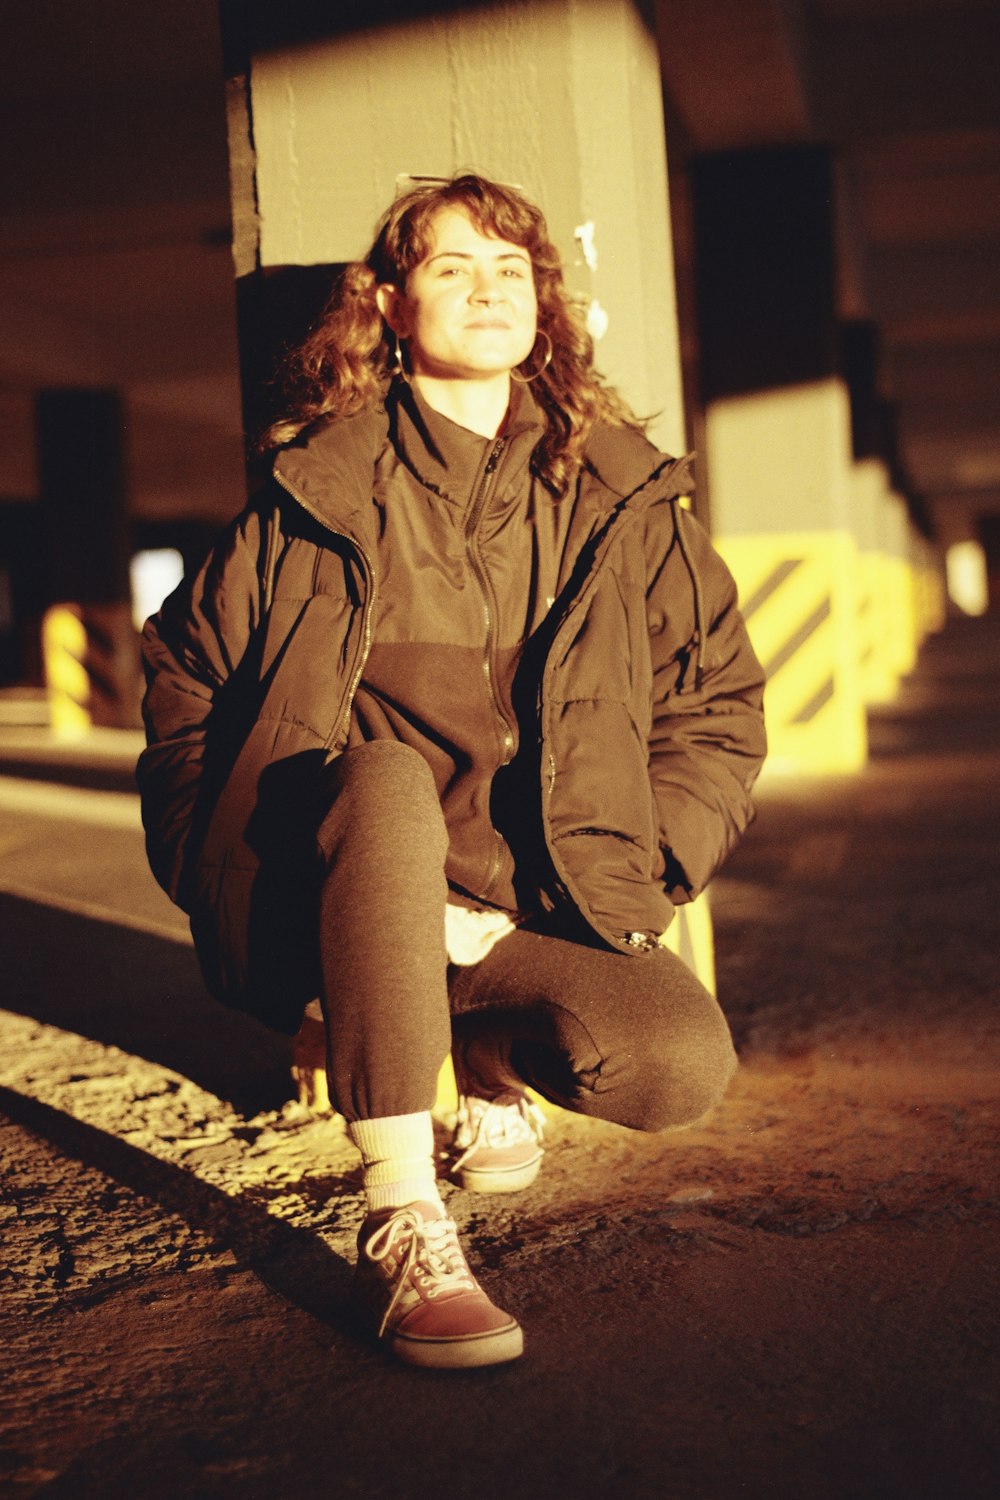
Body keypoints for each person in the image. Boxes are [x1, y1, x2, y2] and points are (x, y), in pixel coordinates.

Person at [137, 172, 766, 1371]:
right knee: (378, 783)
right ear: (388, 304)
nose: (488, 291)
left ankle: (481, 1047)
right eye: (450, 268)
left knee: (676, 1065)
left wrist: (653, 866)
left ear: (542, 305)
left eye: (510, 270)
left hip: (520, 909)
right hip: (351, 888)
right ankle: (403, 1216)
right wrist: (212, 860)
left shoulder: (619, 498)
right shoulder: (315, 493)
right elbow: (185, 680)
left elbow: (717, 699)